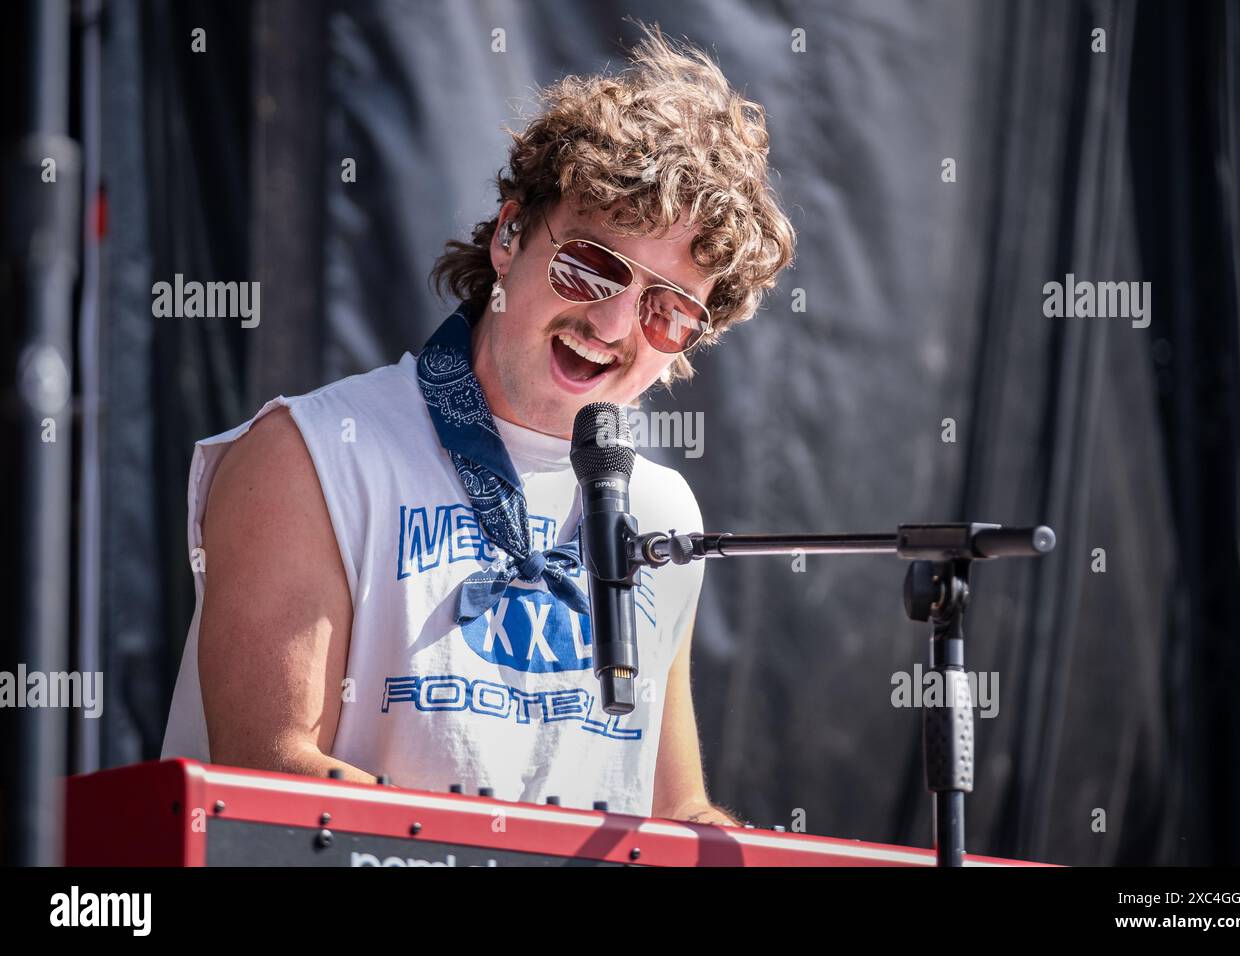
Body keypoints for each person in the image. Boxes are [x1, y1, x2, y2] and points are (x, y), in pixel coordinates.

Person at [161, 23, 795, 824]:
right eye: (593, 266)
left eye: (668, 311)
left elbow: (674, 811)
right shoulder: (308, 456)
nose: (611, 324)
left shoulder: (663, 513)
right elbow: (272, 781)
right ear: (509, 235)